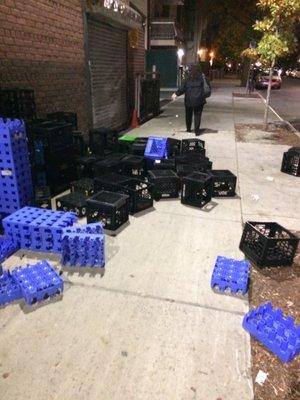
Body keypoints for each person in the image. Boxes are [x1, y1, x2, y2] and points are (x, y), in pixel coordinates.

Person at [172, 64, 210, 135]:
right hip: (199, 100)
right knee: (197, 115)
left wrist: (176, 94)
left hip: (189, 100)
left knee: (188, 114)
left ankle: (188, 129)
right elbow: (207, 87)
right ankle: (197, 131)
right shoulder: (202, 77)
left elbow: (182, 88)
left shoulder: (187, 78)